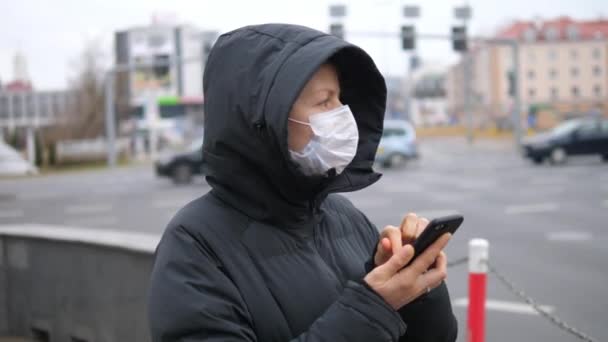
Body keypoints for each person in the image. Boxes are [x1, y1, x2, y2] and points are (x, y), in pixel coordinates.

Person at [148, 23, 458, 342]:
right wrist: (374, 308)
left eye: (340, 98)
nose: (342, 114)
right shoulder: (194, 245)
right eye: (325, 101)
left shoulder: (344, 217)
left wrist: (416, 288)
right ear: (266, 120)